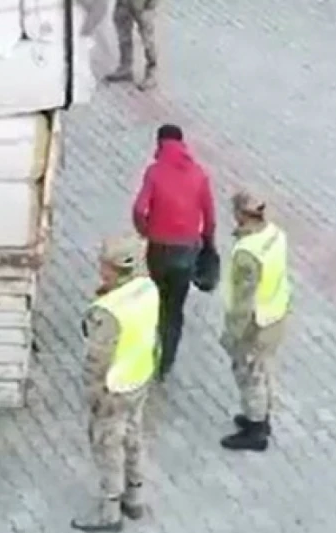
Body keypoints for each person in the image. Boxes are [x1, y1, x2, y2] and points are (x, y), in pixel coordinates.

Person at [72, 235, 160, 532]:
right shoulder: (148, 288)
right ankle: (134, 497)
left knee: (108, 445)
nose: (99, 267)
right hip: (140, 376)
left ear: (113, 268)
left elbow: (98, 359)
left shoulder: (108, 311)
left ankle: (109, 512)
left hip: (114, 387)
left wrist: (92, 393)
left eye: (103, 263)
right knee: (134, 435)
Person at [131, 123, 215, 381]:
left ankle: (147, 351)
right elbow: (209, 218)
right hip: (187, 250)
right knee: (175, 308)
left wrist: (145, 230)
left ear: (159, 144)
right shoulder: (199, 174)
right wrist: (207, 242)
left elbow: (139, 209)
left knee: (154, 301)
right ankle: (165, 363)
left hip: (159, 248)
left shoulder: (155, 173)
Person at [219, 192, 291, 452]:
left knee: (249, 373)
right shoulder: (275, 234)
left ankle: (256, 428)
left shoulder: (248, 252)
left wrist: (233, 334)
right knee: (264, 368)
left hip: (256, 323)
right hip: (276, 312)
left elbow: (244, 301)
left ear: (241, 213)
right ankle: (262, 416)